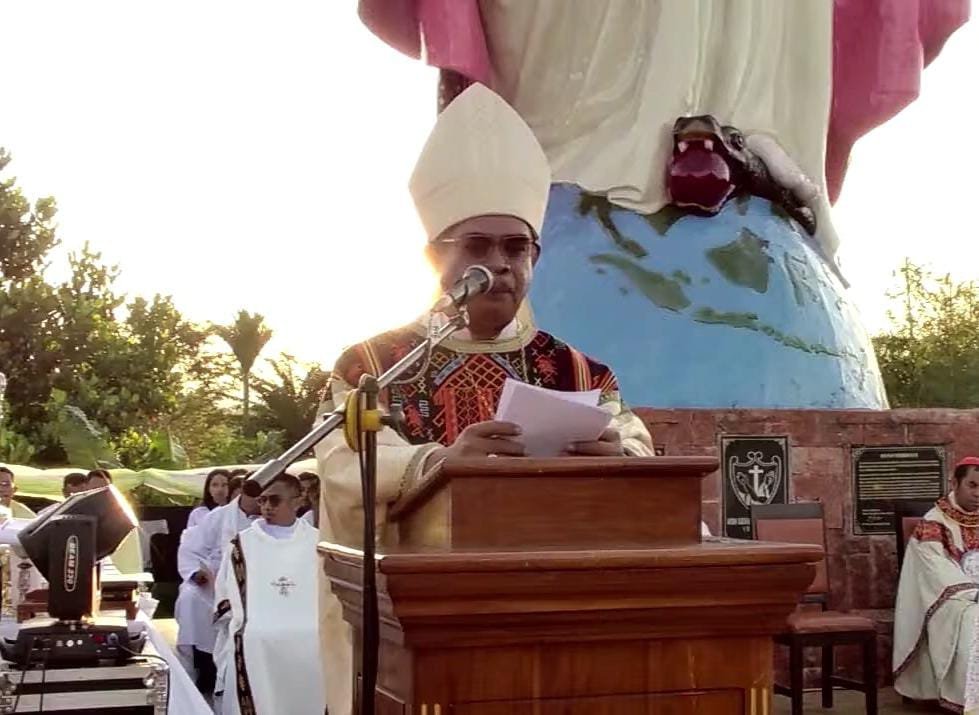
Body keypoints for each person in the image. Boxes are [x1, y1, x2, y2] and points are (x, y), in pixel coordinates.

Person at [314, 83, 654, 715]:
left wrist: (617, 453)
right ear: (433, 257)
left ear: (535, 257)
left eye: (515, 247)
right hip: (426, 632)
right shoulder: (372, 367)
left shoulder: (577, 369)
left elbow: (638, 445)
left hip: (558, 615)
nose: (499, 263)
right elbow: (342, 468)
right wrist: (440, 462)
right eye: (476, 246)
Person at [214, 474, 324, 715]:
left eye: (275, 500)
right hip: (256, 632)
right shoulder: (241, 544)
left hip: (311, 630)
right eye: (262, 500)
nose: (266, 507)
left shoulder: (318, 543)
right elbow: (225, 592)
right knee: (252, 640)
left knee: (320, 642)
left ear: (298, 501)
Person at [894, 456, 979, 710]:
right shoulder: (933, 523)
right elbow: (935, 571)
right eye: (972, 485)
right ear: (955, 483)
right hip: (950, 601)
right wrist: (973, 593)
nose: (978, 493)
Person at [175, 468, 232, 696]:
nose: (220, 489)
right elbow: (190, 548)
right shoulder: (200, 515)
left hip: (230, 574)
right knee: (190, 600)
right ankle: (200, 663)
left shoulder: (245, 516)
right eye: (215, 484)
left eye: (224, 484)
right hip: (205, 576)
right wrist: (195, 573)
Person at [84, 469, 144, 574]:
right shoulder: (79, 513)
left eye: (104, 489)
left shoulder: (121, 514)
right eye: (95, 490)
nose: (99, 495)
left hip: (116, 572)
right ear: (86, 488)